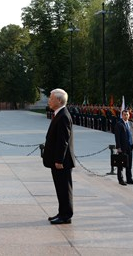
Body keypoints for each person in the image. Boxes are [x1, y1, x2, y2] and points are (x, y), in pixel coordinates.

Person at [43, 88, 75, 225]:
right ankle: (62, 212)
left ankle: (66, 215)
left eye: (51, 98)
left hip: (62, 162)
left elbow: (63, 140)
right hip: (58, 161)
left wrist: (58, 160)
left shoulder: (63, 116)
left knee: (64, 188)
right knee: (60, 188)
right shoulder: (59, 114)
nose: (49, 100)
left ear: (59, 100)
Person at [114, 109, 133, 185]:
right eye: (124, 114)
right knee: (121, 164)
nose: (126, 116)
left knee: (129, 164)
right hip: (122, 148)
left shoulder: (131, 123)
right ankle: (120, 179)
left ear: (129, 115)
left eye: (127, 114)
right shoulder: (119, 124)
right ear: (122, 115)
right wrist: (118, 147)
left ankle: (129, 179)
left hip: (130, 147)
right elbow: (117, 137)